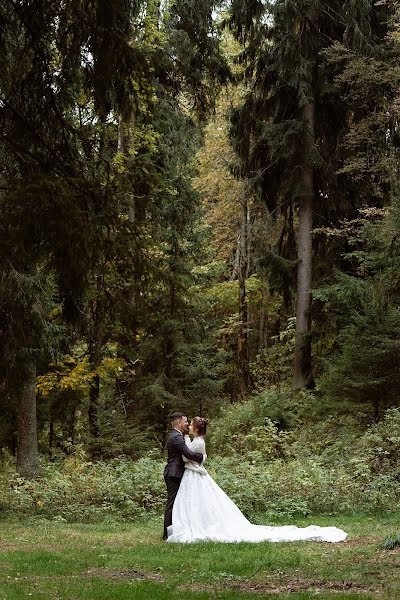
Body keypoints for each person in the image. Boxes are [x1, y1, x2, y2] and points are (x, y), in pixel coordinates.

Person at [167, 416, 347, 544]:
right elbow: (190, 455)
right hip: (190, 475)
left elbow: (188, 457)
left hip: (194, 475)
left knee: (198, 502)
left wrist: (200, 457)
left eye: (190, 424)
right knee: (192, 503)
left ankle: (197, 525)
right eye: (187, 423)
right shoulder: (189, 439)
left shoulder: (197, 441)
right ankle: (189, 523)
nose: (188, 425)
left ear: (196, 428)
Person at [163, 412, 204, 540]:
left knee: (177, 503)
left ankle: (174, 530)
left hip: (177, 473)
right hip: (174, 473)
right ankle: (167, 533)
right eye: (185, 421)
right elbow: (188, 454)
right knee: (172, 503)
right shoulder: (176, 437)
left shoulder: (179, 436)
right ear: (179, 423)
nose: (187, 424)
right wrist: (202, 457)